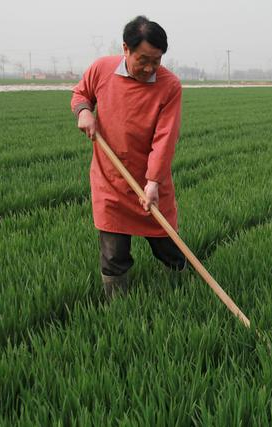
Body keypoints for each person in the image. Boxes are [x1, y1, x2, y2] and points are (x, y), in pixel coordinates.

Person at [70, 16, 186, 300]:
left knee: (167, 247)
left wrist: (153, 182)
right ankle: (117, 305)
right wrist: (84, 112)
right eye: (143, 60)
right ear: (126, 49)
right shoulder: (101, 69)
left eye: (156, 61)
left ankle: (182, 288)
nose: (149, 68)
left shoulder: (170, 86)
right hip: (109, 180)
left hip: (150, 181)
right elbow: (80, 94)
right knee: (113, 251)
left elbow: (165, 138)